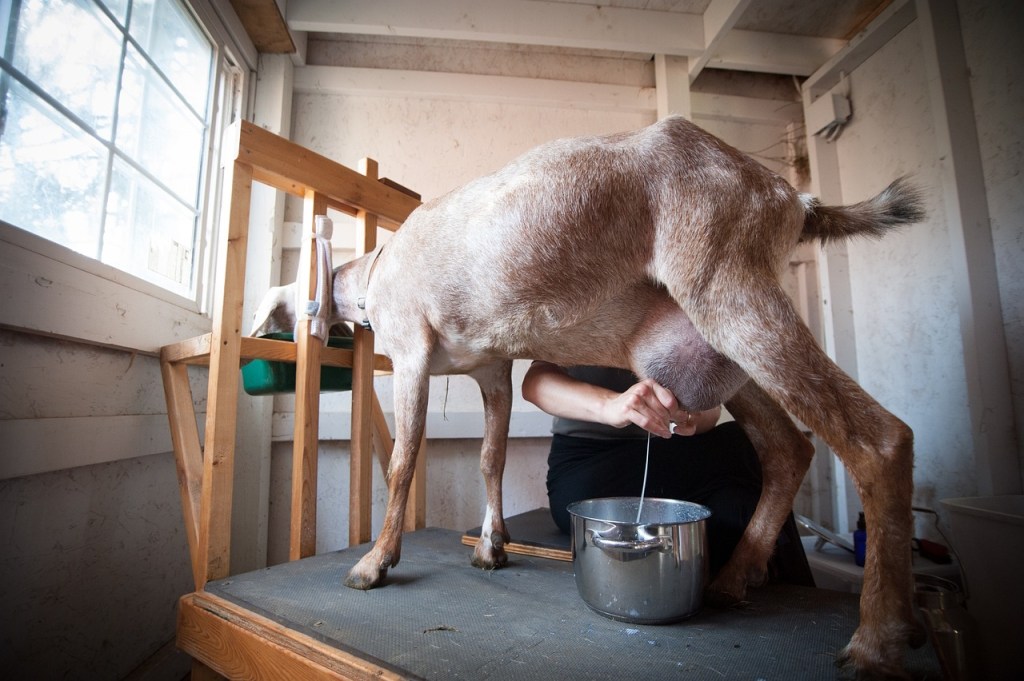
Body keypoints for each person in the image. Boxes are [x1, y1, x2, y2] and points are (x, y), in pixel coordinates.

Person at [522, 361, 813, 584]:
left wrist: (690, 417)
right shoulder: (582, 292)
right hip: (586, 473)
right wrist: (611, 404)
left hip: (669, 463)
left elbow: (710, 411)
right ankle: (805, 605)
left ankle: (779, 619)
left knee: (738, 503)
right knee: (744, 443)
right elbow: (534, 382)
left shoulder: (676, 300)